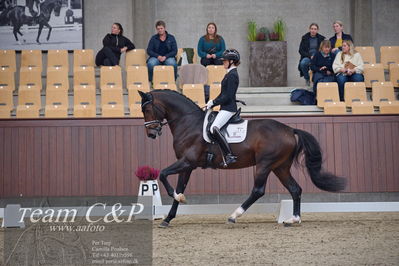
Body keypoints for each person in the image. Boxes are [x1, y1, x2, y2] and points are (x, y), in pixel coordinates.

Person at [206, 49, 240, 167]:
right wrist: (212, 102)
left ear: (231, 61)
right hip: (224, 107)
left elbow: (228, 96)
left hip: (229, 108)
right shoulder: (229, 74)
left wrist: (214, 102)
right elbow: (222, 94)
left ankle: (229, 155)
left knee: (214, 128)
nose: (223, 63)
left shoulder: (232, 75)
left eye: (225, 61)